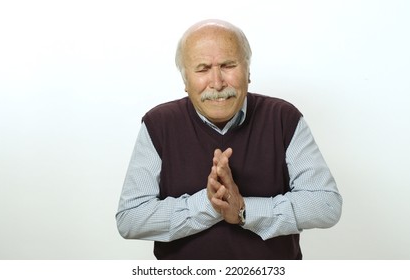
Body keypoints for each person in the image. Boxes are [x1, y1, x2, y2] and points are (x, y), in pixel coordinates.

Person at [116, 19, 342, 260]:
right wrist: (208, 205)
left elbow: (326, 205)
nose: (217, 82)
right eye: (202, 68)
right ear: (185, 80)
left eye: (228, 65)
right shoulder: (158, 124)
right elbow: (130, 218)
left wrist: (244, 210)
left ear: (248, 71)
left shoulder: (283, 118)